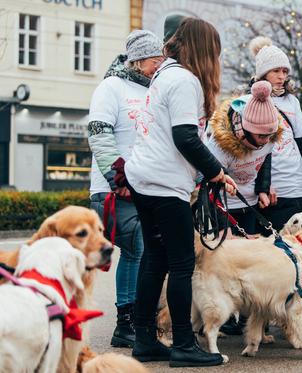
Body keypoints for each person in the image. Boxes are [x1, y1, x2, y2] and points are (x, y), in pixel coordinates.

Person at [124, 18, 236, 367]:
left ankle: (144, 340)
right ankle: (184, 345)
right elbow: (185, 136)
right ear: (205, 50)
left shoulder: (164, 75)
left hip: (144, 178)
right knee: (181, 263)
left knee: (155, 258)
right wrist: (217, 172)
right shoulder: (185, 81)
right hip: (163, 182)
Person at [87, 30, 165, 348]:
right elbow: (99, 133)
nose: (159, 66)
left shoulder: (156, 90)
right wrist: (116, 178)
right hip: (115, 188)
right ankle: (126, 321)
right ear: (136, 60)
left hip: (146, 186)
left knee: (147, 251)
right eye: (154, 60)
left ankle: (141, 318)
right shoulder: (111, 87)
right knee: (137, 250)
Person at [248, 37, 302, 232]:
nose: (281, 76)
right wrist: (263, 186)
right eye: (276, 71)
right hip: (274, 188)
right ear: (263, 73)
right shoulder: (251, 101)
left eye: (285, 71)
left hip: (296, 183)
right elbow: (253, 151)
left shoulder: (292, 102)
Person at [206, 80, 280, 234]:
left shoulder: (270, 137)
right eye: (261, 136)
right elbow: (209, 180)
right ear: (245, 129)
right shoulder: (220, 145)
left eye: (269, 135)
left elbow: (265, 159)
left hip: (250, 204)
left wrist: (262, 189)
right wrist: (222, 224)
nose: (266, 140)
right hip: (224, 206)